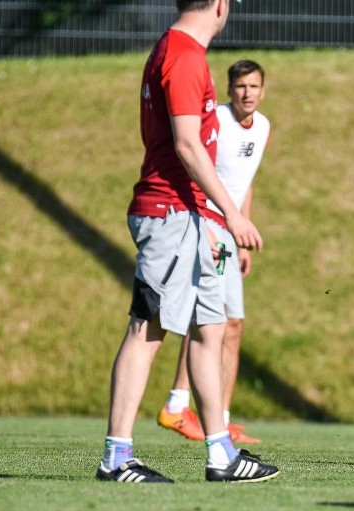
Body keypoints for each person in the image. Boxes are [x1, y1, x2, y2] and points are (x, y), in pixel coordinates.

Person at [96, 0, 280, 483]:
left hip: (196, 217)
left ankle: (221, 454)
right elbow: (186, 144)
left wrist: (217, 214)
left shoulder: (183, 52)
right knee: (149, 327)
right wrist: (234, 212)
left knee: (209, 329)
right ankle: (116, 457)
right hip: (170, 213)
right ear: (219, 5)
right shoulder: (182, 54)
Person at [157, 59, 270, 445]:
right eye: (240, 86)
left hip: (230, 231)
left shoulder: (265, 127)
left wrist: (243, 232)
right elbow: (193, 165)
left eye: (254, 86)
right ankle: (176, 405)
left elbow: (246, 182)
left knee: (232, 325)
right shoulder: (216, 120)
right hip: (207, 225)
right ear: (229, 89)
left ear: (263, 90)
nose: (247, 93)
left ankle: (219, 418)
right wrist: (204, 224)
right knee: (208, 316)